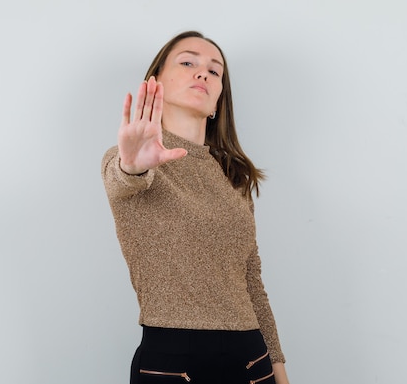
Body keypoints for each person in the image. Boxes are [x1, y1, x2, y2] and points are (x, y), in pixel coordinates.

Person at [101, 31, 289, 384]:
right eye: (188, 62)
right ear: (155, 83)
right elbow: (122, 178)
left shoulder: (233, 177)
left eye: (214, 71)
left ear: (218, 101)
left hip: (252, 362)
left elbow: (251, 280)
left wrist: (278, 368)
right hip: (174, 364)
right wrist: (133, 164)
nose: (202, 73)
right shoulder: (128, 161)